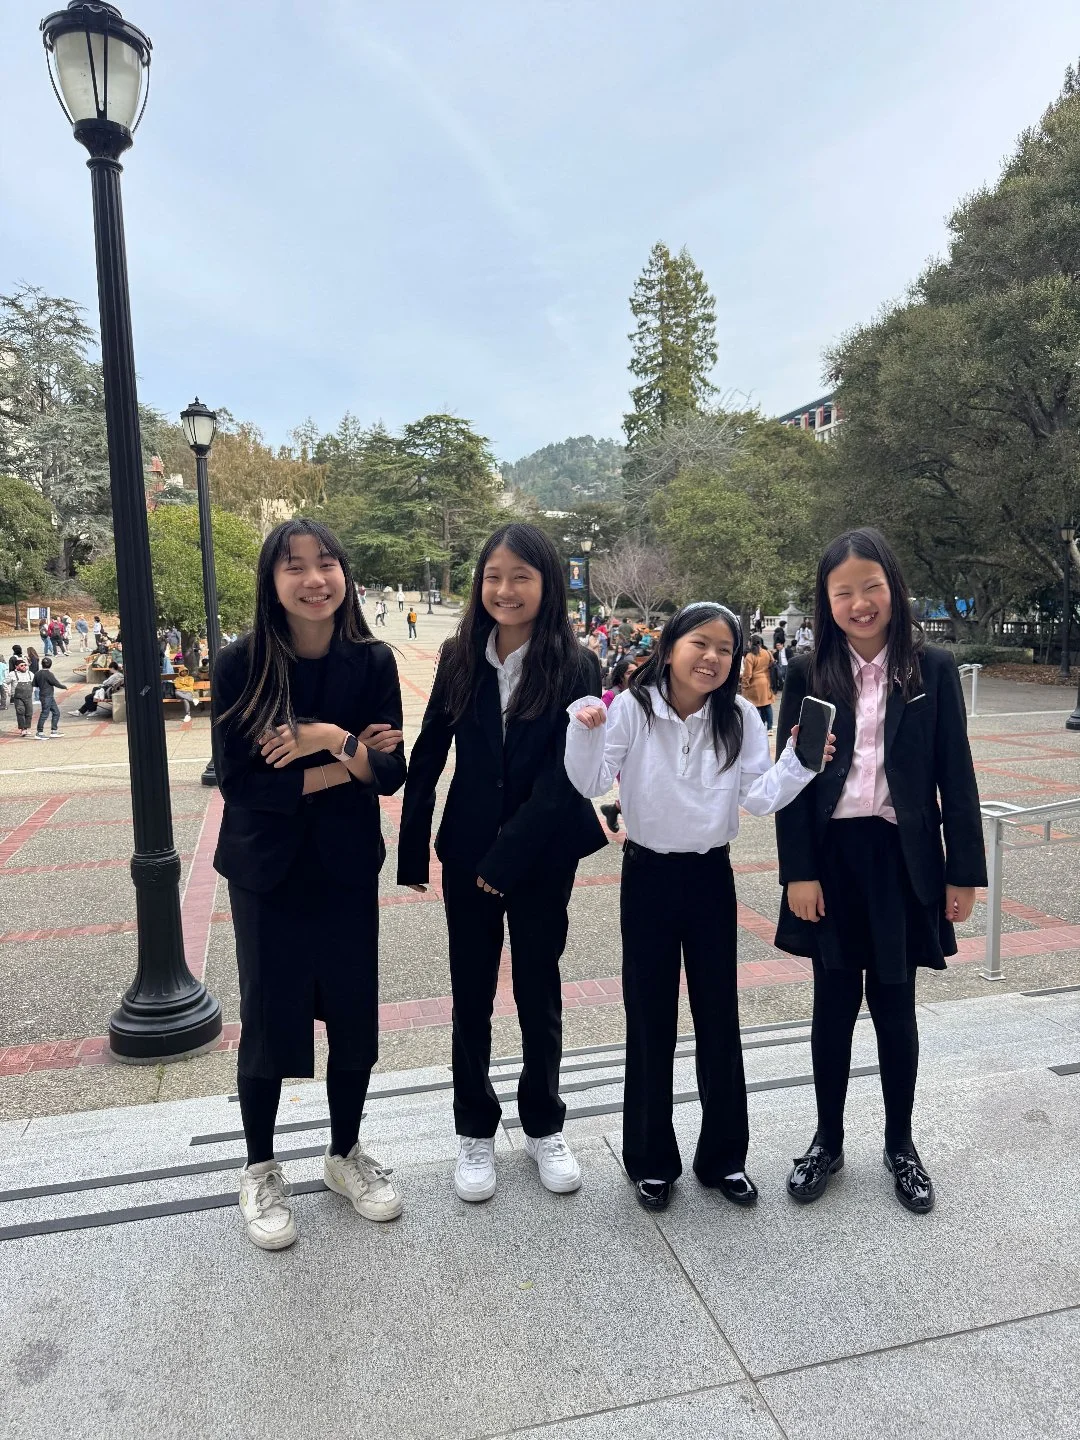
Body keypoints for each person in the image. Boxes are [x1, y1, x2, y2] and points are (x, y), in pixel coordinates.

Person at [565, 602, 827, 1214]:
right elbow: (588, 782)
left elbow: (760, 798)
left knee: (719, 1018)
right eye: (700, 644)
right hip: (648, 876)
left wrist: (802, 762)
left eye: (725, 649)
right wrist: (584, 727)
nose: (712, 658)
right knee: (650, 1019)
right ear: (671, 645)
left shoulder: (738, 715)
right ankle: (652, 1162)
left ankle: (724, 1159)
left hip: (711, 876)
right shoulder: (632, 707)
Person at [774, 527, 986, 1215]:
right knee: (832, 1007)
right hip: (831, 862)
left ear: (894, 587)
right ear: (825, 601)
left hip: (901, 861)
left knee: (895, 1008)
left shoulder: (932, 670)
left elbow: (957, 776)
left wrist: (964, 874)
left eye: (872, 587)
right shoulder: (808, 673)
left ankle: (902, 1145)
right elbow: (791, 780)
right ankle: (827, 1141)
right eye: (844, 592)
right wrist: (796, 872)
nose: (861, 603)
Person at [213, 517, 407, 1251]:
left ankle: (343, 1154)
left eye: (327, 562)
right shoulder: (242, 665)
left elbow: (391, 772)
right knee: (271, 1018)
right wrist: (351, 760)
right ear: (272, 580)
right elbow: (242, 783)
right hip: (268, 871)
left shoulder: (373, 659)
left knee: (354, 1015)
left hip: (348, 865)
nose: (314, 579)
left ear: (345, 573)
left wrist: (325, 739)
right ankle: (260, 1166)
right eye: (294, 567)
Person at [398, 522, 606, 1204]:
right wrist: (412, 855)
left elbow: (565, 775)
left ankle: (544, 1122)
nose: (505, 589)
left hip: (544, 852)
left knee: (539, 991)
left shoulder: (575, 665)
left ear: (547, 584)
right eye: (493, 576)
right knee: (472, 997)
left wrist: (507, 857)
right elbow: (430, 751)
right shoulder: (461, 654)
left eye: (521, 576)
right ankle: (475, 1129)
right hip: (467, 851)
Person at [597, 656, 638, 834]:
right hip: (620, 752)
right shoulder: (611, 696)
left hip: (637, 750)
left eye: (636, 670)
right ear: (621, 676)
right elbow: (601, 723)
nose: (635, 674)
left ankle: (613, 809)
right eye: (630, 672)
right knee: (633, 788)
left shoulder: (641, 693)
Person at [740, 634, 774, 732]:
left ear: (751, 643)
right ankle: (770, 727)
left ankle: (760, 726)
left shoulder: (750, 656)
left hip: (754, 683)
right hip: (766, 681)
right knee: (767, 705)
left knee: (755, 706)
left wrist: (745, 684)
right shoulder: (767, 652)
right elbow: (772, 662)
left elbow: (748, 673)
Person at [34, 656, 66, 737]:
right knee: (45, 713)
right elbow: (55, 683)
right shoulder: (49, 674)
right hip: (47, 696)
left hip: (44, 695)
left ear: (42, 664)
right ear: (50, 665)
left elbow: (34, 684)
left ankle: (54, 731)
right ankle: (39, 732)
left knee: (56, 712)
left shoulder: (37, 673)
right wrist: (64, 687)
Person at [10, 660, 33, 735]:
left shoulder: (30, 673)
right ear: (16, 667)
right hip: (18, 697)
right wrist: (9, 692)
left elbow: (35, 683)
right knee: (20, 712)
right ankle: (22, 729)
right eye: (21, 665)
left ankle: (26, 728)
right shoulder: (12, 674)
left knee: (29, 713)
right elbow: (5, 682)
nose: (24, 667)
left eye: (25, 665)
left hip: (28, 697)